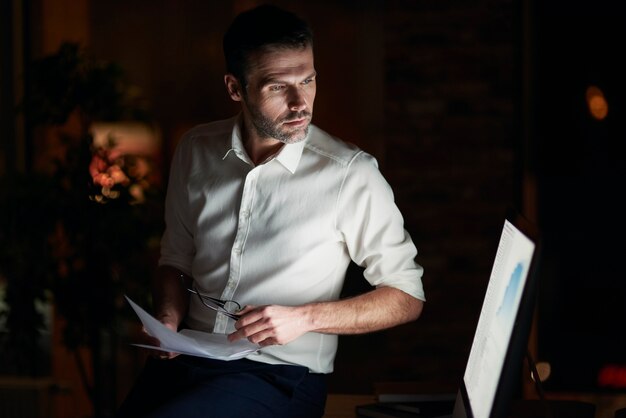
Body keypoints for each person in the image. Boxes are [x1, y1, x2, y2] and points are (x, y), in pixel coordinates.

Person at [117, 4, 425, 418]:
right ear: (235, 88)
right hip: (187, 360)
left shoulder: (352, 174)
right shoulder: (194, 149)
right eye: (279, 87)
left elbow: (406, 296)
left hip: (281, 376)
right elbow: (175, 260)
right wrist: (168, 318)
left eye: (309, 80)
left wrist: (305, 319)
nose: (301, 102)